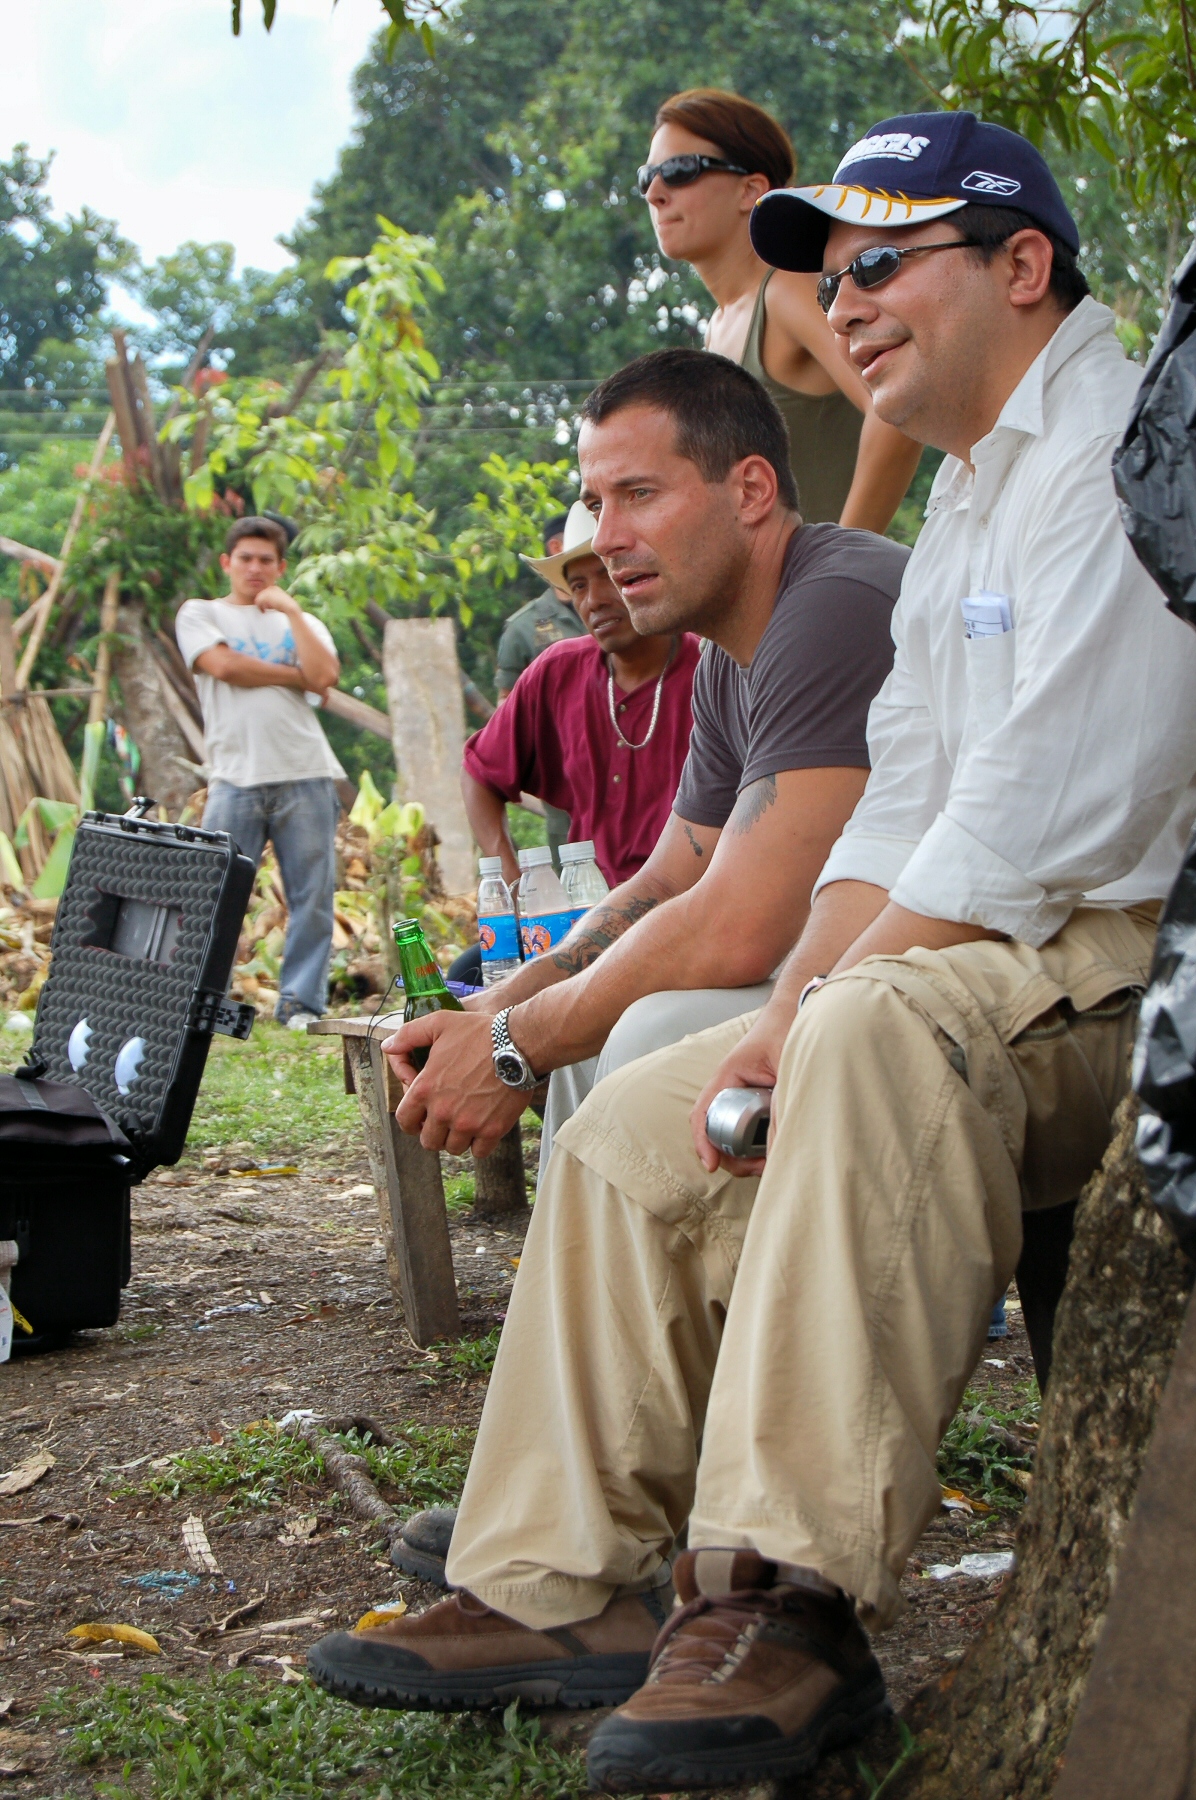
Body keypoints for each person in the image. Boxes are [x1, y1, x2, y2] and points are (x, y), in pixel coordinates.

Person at [308, 115, 1196, 1794]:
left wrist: (813, 1014)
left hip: (1125, 961)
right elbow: (895, 816)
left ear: (1021, 268)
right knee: (650, 1116)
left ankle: (783, 1601)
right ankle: (558, 1583)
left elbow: (1035, 821)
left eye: (879, 266)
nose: (838, 307)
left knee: (858, 1036)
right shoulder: (970, 488)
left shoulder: (1109, 447)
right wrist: (763, 1020)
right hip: (986, 945)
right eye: (824, 274)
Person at [383, 349, 906, 1182]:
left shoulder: (834, 605)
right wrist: (494, 1007)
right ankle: (601, 1310)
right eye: (595, 503)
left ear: (752, 491)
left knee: (639, 1031)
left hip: (963, 968)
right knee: (604, 1030)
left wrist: (512, 1047)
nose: (605, 538)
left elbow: (737, 925)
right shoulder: (727, 654)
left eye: (639, 494)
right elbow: (664, 884)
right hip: (841, 970)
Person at [642, 87, 923, 533]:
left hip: (823, 595)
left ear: (751, 190)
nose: (655, 192)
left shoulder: (787, 291)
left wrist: (839, 567)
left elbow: (896, 414)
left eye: (679, 170)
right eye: (647, 176)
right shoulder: (718, 326)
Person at [463, 499, 700, 891]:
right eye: (577, 586)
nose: (594, 600)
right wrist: (513, 880)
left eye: (607, 576)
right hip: (585, 916)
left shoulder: (713, 672)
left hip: (688, 913)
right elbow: (479, 772)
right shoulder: (557, 670)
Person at [175, 516, 343, 1030]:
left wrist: (290, 610)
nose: (255, 568)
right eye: (245, 558)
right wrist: (294, 677)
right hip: (233, 776)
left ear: (280, 566)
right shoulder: (200, 613)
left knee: (312, 897)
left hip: (306, 771)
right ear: (227, 562)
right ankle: (202, 1003)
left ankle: (301, 1004)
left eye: (266, 560)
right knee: (216, 895)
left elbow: (325, 677)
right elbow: (224, 667)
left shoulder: (304, 623)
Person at [495, 510, 586, 862]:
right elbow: (506, 707)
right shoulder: (524, 627)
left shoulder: (626, 605)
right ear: (557, 546)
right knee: (574, 867)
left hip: (634, 752)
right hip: (563, 771)